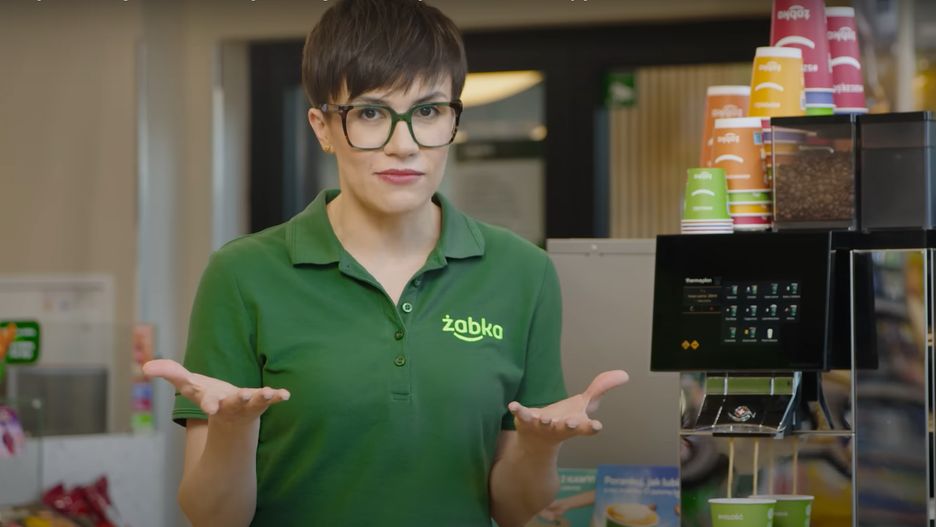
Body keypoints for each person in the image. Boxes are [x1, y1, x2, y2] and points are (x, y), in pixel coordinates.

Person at [143, 1, 628, 525]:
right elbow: (213, 518)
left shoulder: (522, 272)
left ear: (454, 119)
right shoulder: (242, 274)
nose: (405, 145)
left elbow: (511, 511)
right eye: (371, 113)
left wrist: (538, 447)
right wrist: (234, 431)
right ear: (322, 127)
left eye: (428, 112)